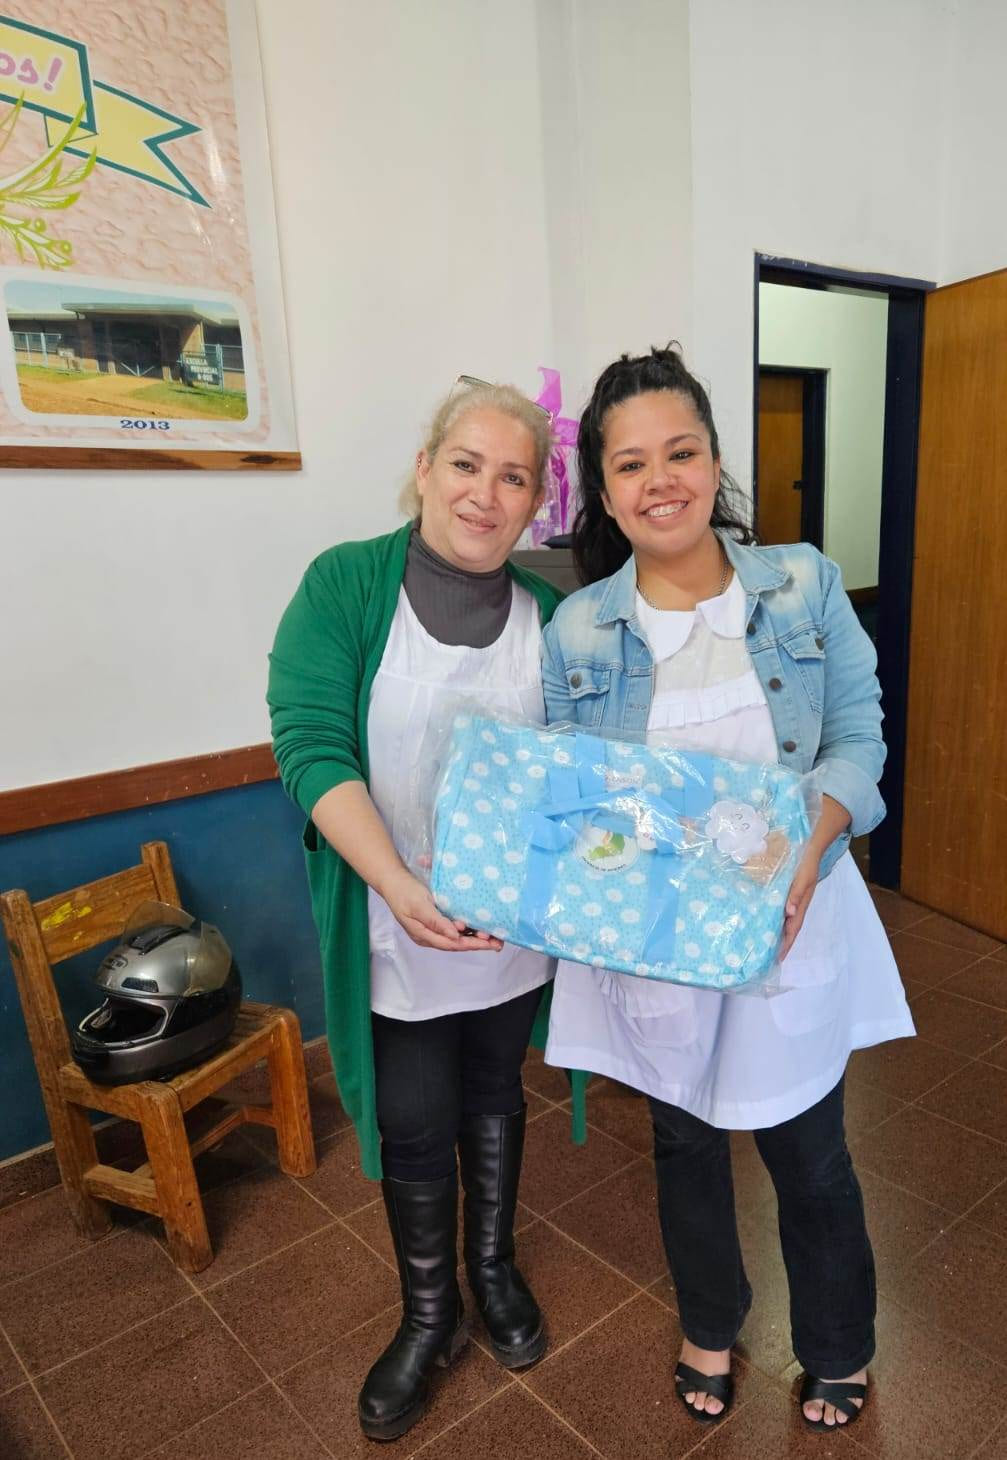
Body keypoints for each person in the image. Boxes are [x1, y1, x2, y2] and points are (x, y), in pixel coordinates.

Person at [540, 346, 914, 1433]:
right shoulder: (579, 627)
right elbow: (579, 791)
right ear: (603, 487)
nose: (659, 480)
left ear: (713, 461)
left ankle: (836, 1344)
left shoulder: (800, 583)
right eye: (629, 463)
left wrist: (810, 847)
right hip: (662, 938)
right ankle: (710, 1322)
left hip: (793, 917)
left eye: (681, 452)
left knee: (809, 1149)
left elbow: (856, 732)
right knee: (683, 1141)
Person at [268, 379, 562, 1442]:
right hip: (394, 919)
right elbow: (309, 741)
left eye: (513, 476)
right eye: (466, 464)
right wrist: (396, 882)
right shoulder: (347, 584)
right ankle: (429, 1314)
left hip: (507, 931)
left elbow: (577, 769)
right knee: (412, 1113)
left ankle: (493, 1267)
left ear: (536, 500)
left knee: (494, 1089)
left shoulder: (548, 616)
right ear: (427, 468)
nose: (485, 493)